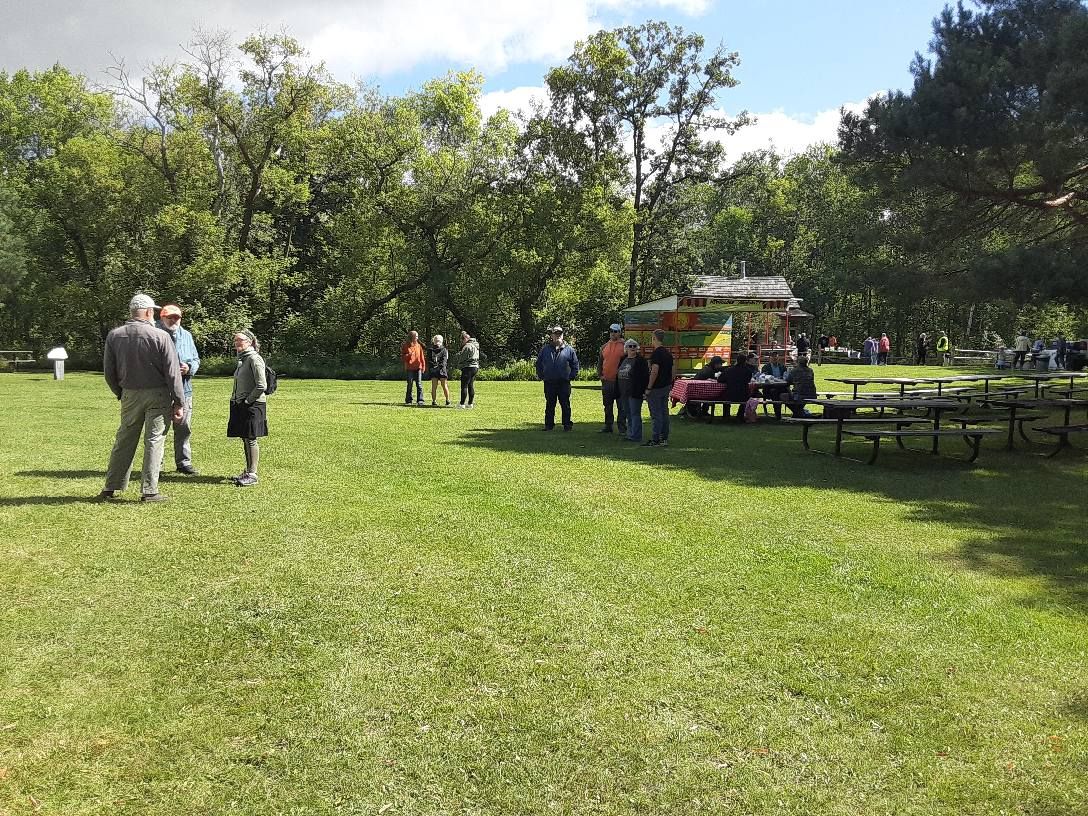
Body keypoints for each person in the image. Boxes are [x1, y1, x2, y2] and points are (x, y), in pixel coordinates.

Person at [98, 294, 186, 502]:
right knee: (154, 440)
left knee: (124, 439)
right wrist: (179, 402)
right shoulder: (161, 336)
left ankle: (111, 487)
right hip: (158, 394)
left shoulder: (114, 335)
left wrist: (121, 392)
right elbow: (172, 374)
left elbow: (109, 372)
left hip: (129, 393)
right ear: (148, 312)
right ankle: (149, 490)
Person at [156, 303, 200, 475]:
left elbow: (196, 359)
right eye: (170, 317)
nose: (174, 320)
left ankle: (183, 462)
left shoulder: (186, 335)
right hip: (161, 389)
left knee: (183, 427)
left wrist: (189, 368)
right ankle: (156, 465)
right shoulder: (155, 334)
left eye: (177, 317)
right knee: (159, 429)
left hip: (184, 389)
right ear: (162, 318)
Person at [227, 330, 269, 487]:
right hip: (242, 403)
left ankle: (252, 474)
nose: (237, 343)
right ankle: (248, 471)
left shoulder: (254, 359)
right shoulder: (242, 359)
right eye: (235, 341)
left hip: (253, 404)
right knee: (245, 437)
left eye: (241, 340)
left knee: (251, 438)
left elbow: (261, 385)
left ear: (250, 342)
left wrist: (247, 401)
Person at [535, 326, 580, 430]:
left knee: (565, 404)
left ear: (563, 335)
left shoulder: (569, 350)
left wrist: (570, 377)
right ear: (552, 336)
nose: (558, 336)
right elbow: (539, 364)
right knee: (550, 404)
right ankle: (549, 425)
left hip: (564, 383)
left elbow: (575, 365)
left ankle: (567, 425)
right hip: (549, 382)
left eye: (560, 334)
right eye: (556, 334)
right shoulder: (545, 349)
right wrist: (542, 376)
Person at [643, 329, 673, 446]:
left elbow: (654, 371)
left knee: (656, 414)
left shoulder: (656, 354)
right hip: (666, 386)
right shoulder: (668, 353)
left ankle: (656, 438)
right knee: (664, 412)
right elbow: (672, 370)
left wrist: (649, 387)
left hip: (656, 388)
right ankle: (664, 437)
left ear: (654, 338)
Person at [616, 339, 649, 442]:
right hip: (623, 392)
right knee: (628, 414)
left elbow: (645, 377)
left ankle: (636, 436)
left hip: (635, 392)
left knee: (635, 414)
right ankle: (630, 434)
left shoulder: (640, 361)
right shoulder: (623, 359)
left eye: (634, 346)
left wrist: (644, 390)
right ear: (626, 348)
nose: (632, 348)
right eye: (630, 346)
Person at [598, 323, 628, 434]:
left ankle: (622, 428)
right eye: (611, 331)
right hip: (607, 381)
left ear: (620, 332)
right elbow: (600, 362)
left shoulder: (625, 346)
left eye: (615, 331)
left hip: (620, 382)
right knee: (607, 405)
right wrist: (600, 375)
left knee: (622, 406)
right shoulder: (604, 346)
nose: (613, 333)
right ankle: (608, 426)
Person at [721, 354, 754, 423]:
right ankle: (740, 415)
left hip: (729, 394)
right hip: (743, 395)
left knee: (724, 396)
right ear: (745, 361)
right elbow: (748, 381)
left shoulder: (728, 370)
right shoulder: (748, 371)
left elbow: (720, 379)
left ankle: (726, 416)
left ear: (736, 361)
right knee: (747, 396)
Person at [760, 352, 789, 419]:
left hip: (782, 387)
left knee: (789, 394)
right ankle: (778, 415)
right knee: (775, 393)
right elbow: (764, 378)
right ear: (770, 359)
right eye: (773, 358)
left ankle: (797, 412)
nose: (775, 359)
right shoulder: (766, 367)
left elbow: (786, 377)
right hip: (770, 388)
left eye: (776, 357)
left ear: (778, 358)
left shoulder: (782, 367)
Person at [401, 330, 427, 405]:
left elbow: (422, 357)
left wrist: (423, 367)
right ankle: (409, 400)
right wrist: (409, 355)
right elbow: (403, 357)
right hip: (410, 368)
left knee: (419, 384)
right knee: (410, 384)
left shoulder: (419, 346)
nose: (417, 338)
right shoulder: (405, 345)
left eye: (417, 336)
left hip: (418, 367)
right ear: (411, 337)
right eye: (416, 336)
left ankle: (420, 400)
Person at [456, 331, 480, 408]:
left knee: (464, 386)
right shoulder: (475, 345)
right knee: (470, 385)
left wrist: (459, 365)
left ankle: (462, 404)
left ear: (465, 339)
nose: (462, 341)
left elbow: (462, 358)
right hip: (475, 367)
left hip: (468, 367)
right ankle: (470, 403)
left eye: (462, 339)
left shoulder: (467, 346)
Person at [428, 335, 450, 406]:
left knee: (437, 386)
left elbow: (430, 360)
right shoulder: (444, 350)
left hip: (436, 370)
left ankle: (438, 401)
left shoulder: (431, 350)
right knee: (442, 386)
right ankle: (445, 400)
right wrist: (439, 366)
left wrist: (435, 366)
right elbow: (444, 361)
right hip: (440, 370)